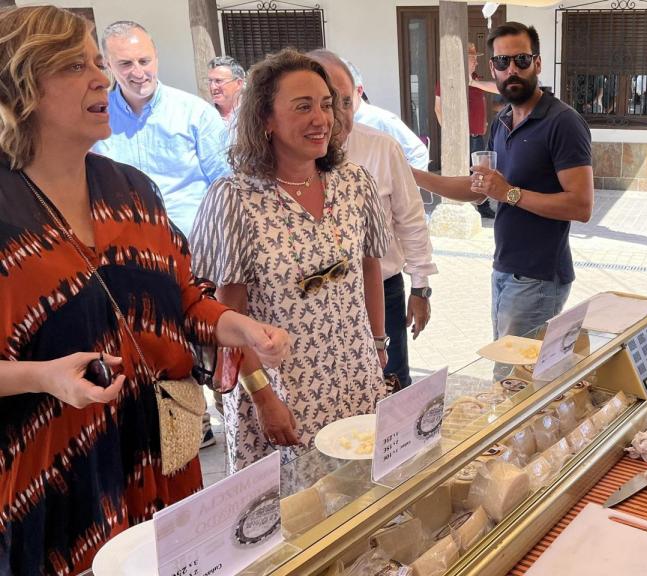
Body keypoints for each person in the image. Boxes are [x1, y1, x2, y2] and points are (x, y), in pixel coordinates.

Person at [0, 7, 292, 574]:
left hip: (161, 455)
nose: (102, 78)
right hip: (54, 474)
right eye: (74, 66)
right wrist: (41, 376)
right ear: (22, 87)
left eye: (96, 62)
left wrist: (242, 328)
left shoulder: (132, 190)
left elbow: (185, 299)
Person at [190, 49, 392, 473]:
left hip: (355, 372)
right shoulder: (235, 199)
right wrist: (263, 397)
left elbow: (369, 267)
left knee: (361, 495)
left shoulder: (354, 182)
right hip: (281, 387)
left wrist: (377, 343)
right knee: (296, 516)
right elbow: (225, 315)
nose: (321, 119)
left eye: (326, 104)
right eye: (303, 107)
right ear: (265, 119)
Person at [414, 22, 594, 341]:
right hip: (504, 270)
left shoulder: (563, 122)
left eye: (521, 60)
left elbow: (581, 206)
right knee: (512, 374)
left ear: (537, 63)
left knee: (513, 379)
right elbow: (478, 189)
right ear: (492, 68)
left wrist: (509, 193)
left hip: (538, 278)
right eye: (501, 62)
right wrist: (414, 177)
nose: (511, 70)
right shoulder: (502, 122)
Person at [310, 50, 437, 391]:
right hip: (318, 301)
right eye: (325, 103)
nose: (336, 117)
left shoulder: (381, 148)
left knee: (391, 387)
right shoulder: (289, 164)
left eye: (346, 103)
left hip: (383, 290)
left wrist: (421, 287)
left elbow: (411, 220)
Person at [92, 20, 230, 237]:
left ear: (156, 57)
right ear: (108, 65)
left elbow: (226, 183)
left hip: (195, 248)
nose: (138, 73)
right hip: (127, 250)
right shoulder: (96, 119)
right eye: (126, 64)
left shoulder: (196, 114)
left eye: (144, 61)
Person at [435, 42, 500, 219]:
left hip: (477, 134)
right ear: (464, 61)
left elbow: (488, 96)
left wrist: (485, 121)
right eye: (473, 60)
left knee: (480, 171)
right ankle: (462, 204)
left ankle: (482, 204)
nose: (476, 63)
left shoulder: (476, 79)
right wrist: (449, 134)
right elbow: (438, 107)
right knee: (463, 172)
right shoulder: (449, 81)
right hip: (461, 137)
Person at [346, 59, 430, 171]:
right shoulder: (329, 124)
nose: (336, 102)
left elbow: (417, 153)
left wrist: (407, 186)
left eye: (344, 96)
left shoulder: (381, 120)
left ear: (359, 91)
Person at [207, 55, 245, 130]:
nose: (213, 87)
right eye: (210, 81)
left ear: (238, 84)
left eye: (218, 81)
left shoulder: (254, 113)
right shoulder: (205, 115)